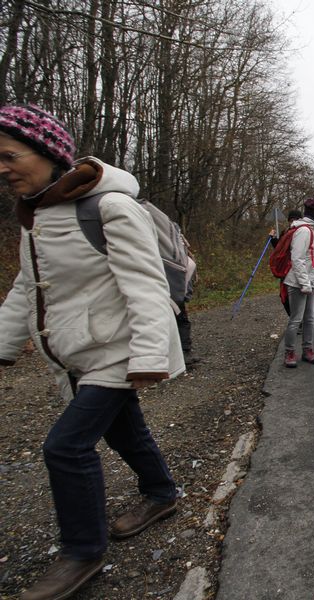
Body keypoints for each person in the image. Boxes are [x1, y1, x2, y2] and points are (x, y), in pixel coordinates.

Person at [0, 104, 184, 600]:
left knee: (65, 446)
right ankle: (162, 493)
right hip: (78, 351)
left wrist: (149, 358)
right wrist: (4, 345)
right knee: (125, 432)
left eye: (10, 155)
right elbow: (27, 288)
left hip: (116, 351)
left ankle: (83, 552)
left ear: (48, 153)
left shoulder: (109, 207)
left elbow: (146, 286)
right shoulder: (35, 215)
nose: (2, 168)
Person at [281, 198, 314, 366]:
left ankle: (307, 350)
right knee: (296, 319)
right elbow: (297, 259)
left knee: (309, 319)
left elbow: (310, 261)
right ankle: (289, 353)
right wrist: (305, 284)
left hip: (309, 283)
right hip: (297, 283)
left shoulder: (310, 230)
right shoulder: (304, 231)